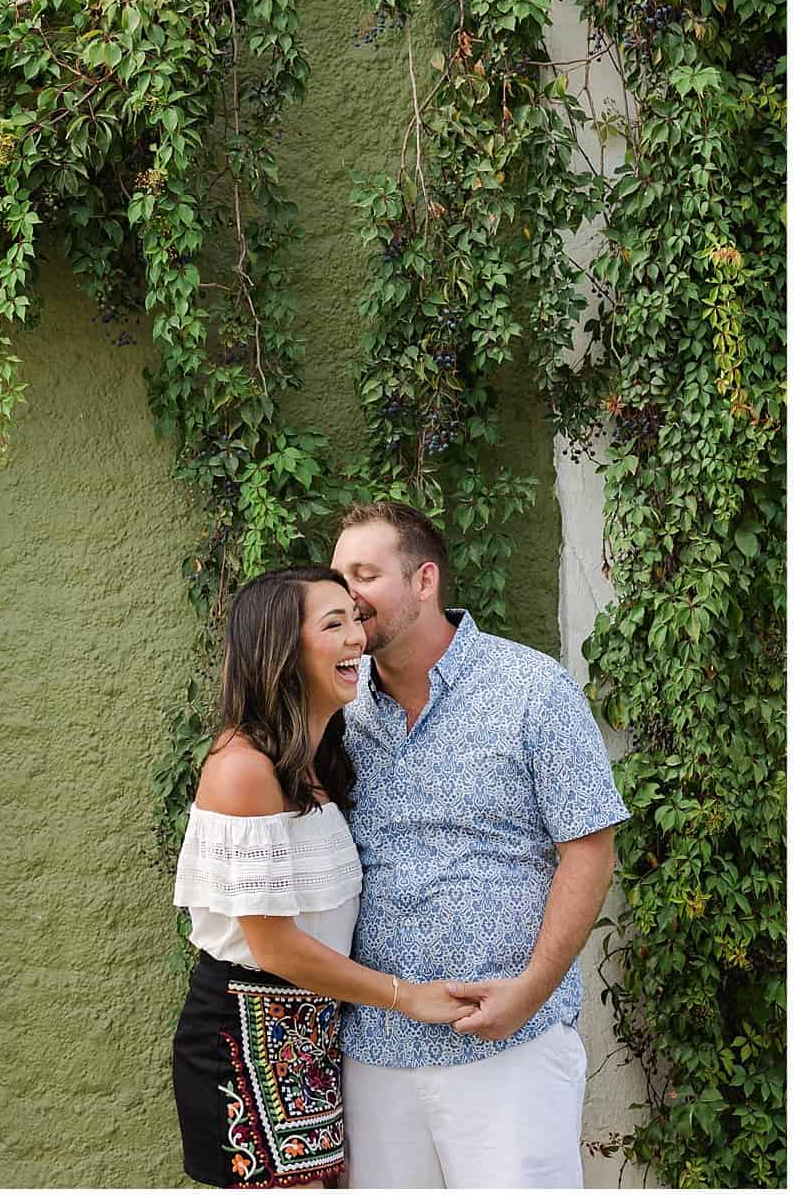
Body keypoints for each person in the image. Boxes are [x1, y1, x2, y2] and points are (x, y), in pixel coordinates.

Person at [330, 499, 630, 1189]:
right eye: (339, 575)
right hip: (374, 1052)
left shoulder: (532, 689)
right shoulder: (337, 709)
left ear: (425, 581)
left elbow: (589, 849)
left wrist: (530, 992)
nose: (348, 595)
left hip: (509, 1050)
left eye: (366, 574)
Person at [172, 565, 467, 1190]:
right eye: (334, 624)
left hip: (312, 1039)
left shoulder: (319, 765)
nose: (357, 636)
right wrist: (407, 996)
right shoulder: (243, 770)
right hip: (245, 1042)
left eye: (355, 619)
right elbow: (274, 945)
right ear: (282, 649)